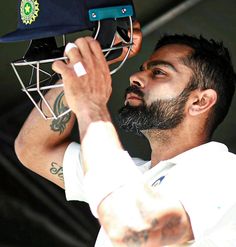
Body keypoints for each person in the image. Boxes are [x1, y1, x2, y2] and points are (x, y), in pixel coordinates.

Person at [15, 33, 236, 247]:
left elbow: (140, 231)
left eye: (159, 72)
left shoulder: (227, 173)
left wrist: (90, 106)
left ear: (200, 101)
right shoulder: (132, 176)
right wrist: (94, 62)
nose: (135, 77)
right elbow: (34, 148)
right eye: (143, 70)